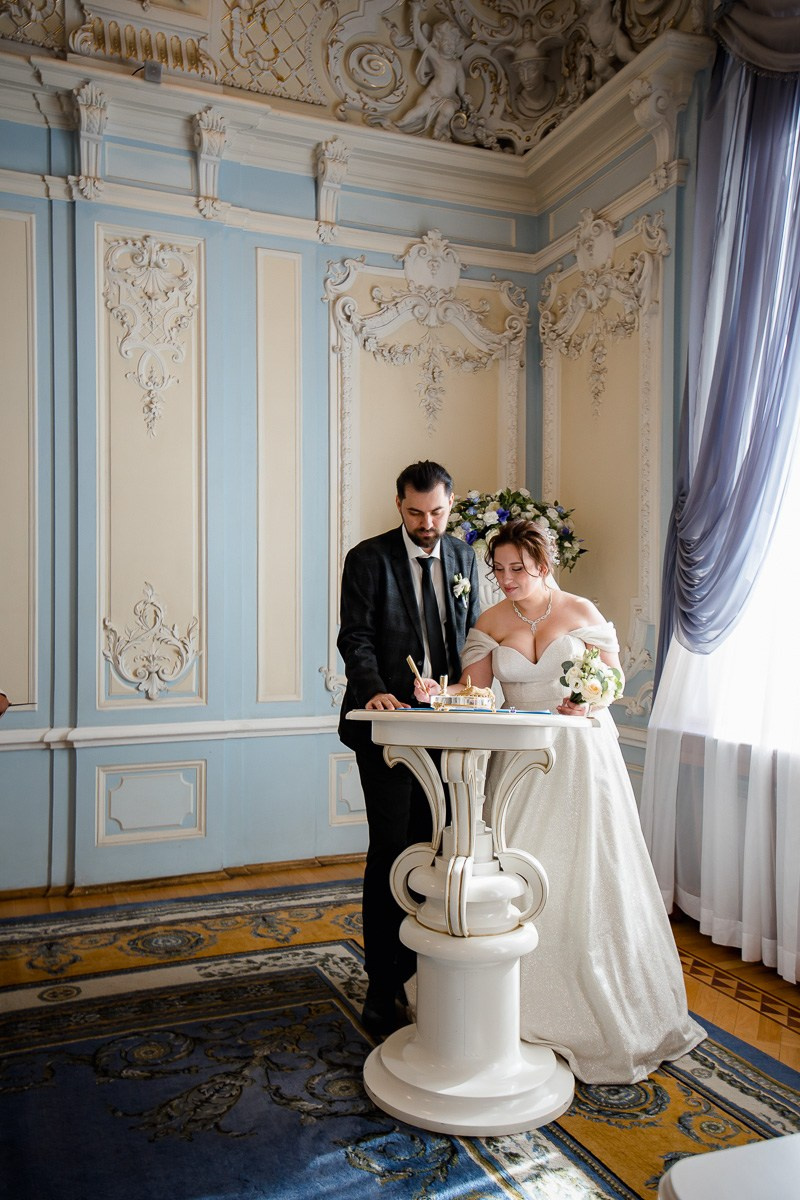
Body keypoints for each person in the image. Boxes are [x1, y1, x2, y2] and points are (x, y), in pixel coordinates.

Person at [414, 518, 704, 1083]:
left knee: (587, 871)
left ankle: (602, 1002)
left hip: (578, 755)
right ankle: (506, 1000)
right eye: (499, 569)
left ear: (543, 565)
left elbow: (611, 681)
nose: (506, 579)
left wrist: (588, 700)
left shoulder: (580, 612)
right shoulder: (492, 621)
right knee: (518, 870)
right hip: (518, 759)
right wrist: (437, 691)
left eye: (517, 569)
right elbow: (475, 691)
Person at [338, 460, 480, 1040]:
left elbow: (472, 638)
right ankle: (382, 983)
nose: (427, 524)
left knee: (439, 849)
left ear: (451, 505)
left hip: (451, 732)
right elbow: (356, 637)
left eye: (438, 512)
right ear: (399, 504)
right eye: (417, 512)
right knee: (392, 851)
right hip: (387, 731)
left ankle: (426, 971)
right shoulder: (367, 559)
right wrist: (374, 691)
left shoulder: (465, 558)